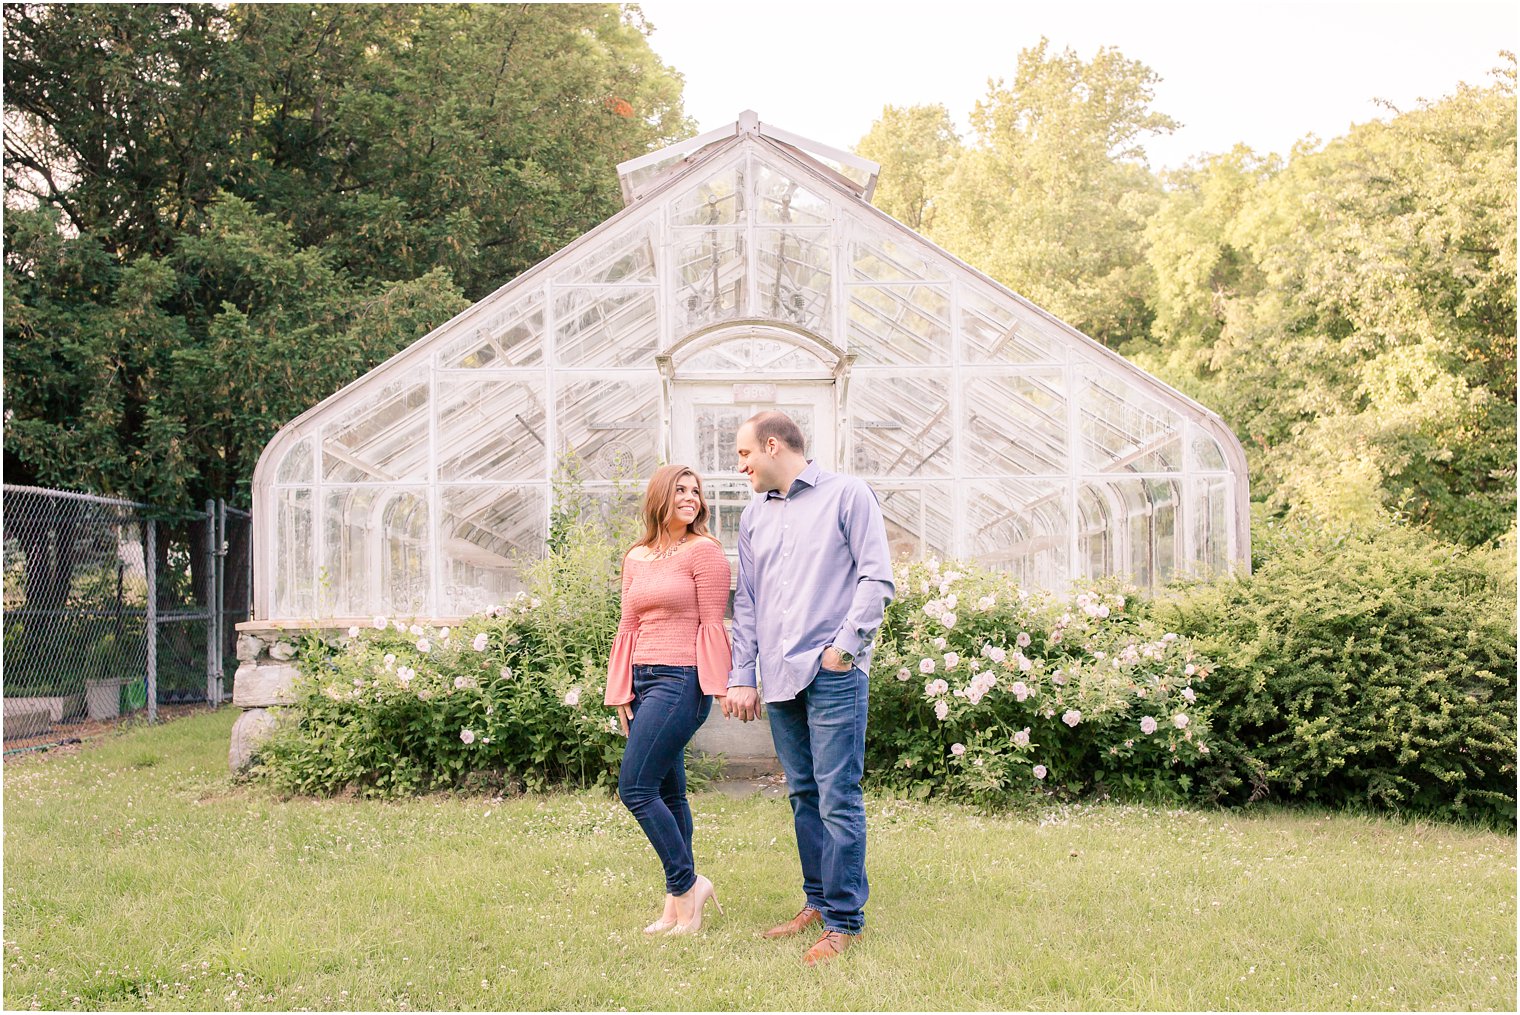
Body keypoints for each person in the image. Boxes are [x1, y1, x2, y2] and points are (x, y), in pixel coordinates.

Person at [722, 411, 895, 966]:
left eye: (745, 454)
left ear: (772, 446)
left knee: (838, 795)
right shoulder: (752, 517)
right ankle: (817, 903)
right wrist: (743, 673)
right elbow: (745, 601)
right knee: (803, 795)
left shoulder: (848, 495)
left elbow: (876, 577)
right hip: (778, 675)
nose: (740, 465)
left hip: (832, 672)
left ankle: (846, 923)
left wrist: (844, 647)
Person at [605, 464, 732, 935]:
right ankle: (677, 908)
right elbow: (628, 626)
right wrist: (621, 688)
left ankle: (688, 884)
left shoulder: (706, 553)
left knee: (635, 788)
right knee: (668, 792)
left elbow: (711, 624)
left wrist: (716, 686)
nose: (690, 497)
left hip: (683, 680)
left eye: (695, 491)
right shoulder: (635, 555)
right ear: (659, 496)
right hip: (643, 679)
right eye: (680, 489)